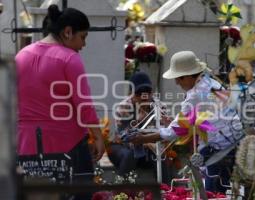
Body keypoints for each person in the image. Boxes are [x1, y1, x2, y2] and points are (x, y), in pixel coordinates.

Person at [131, 51, 242, 193]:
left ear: (190, 76)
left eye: (180, 78)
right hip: (229, 142)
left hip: (218, 147)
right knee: (219, 188)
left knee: (212, 192)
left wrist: (143, 138)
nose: (177, 82)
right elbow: (205, 117)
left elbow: (176, 131)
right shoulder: (211, 82)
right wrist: (177, 123)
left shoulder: (196, 94)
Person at [16, 5, 105, 179]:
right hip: (68, 143)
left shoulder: (21, 55)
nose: (83, 44)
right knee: (78, 193)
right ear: (68, 32)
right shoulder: (69, 58)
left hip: (26, 143)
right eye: (83, 37)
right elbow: (84, 105)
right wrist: (98, 137)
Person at [109, 72, 172, 182]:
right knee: (130, 154)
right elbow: (123, 138)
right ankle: (119, 191)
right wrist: (139, 121)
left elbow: (165, 135)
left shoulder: (159, 106)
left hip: (150, 150)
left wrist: (168, 124)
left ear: (152, 92)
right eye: (139, 93)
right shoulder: (124, 107)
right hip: (122, 148)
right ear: (131, 93)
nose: (144, 97)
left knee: (160, 155)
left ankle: (166, 191)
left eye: (147, 92)